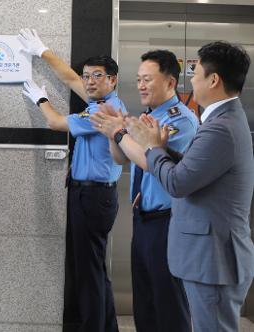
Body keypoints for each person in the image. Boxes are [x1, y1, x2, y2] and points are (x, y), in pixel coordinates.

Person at [125, 41, 254, 332]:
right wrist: (162, 149)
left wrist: (154, 149)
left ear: (213, 80)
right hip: (208, 256)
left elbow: (177, 182)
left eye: (195, 73)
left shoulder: (221, 127)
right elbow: (193, 169)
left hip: (213, 259)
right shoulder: (223, 120)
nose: (191, 80)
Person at [19, 28, 127, 332]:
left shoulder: (105, 112)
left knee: (88, 273)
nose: (89, 81)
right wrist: (42, 50)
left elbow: (55, 122)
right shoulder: (101, 104)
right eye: (87, 76)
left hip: (93, 198)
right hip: (92, 195)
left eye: (97, 76)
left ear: (113, 80)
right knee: (94, 269)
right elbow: (69, 78)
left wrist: (40, 97)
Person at [90, 49, 198, 332]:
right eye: (138, 79)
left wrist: (118, 132)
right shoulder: (147, 117)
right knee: (146, 306)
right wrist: (111, 134)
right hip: (143, 220)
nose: (140, 85)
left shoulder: (179, 121)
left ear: (171, 82)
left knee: (169, 306)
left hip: (168, 223)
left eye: (148, 79)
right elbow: (120, 158)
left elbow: (149, 162)